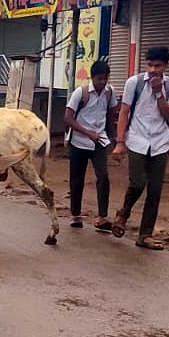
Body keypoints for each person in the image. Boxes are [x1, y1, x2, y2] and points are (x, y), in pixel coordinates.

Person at [112, 46, 169, 250]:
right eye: (149, 65)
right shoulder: (134, 83)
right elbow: (124, 112)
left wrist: (159, 94)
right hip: (137, 139)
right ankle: (123, 213)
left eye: (157, 66)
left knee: (155, 190)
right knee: (138, 183)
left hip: (160, 142)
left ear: (165, 66)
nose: (152, 70)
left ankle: (145, 235)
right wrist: (120, 141)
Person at [64, 59, 118, 231]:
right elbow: (68, 117)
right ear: (92, 77)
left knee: (103, 177)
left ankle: (102, 216)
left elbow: (111, 115)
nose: (102, 82)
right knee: (77, 179)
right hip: (79, 141)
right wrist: (88, 133)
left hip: (100, 141)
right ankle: (75, 214)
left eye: (105, 79)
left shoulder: (110, 93)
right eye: (99, 79)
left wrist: (114, 138)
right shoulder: (81, 93)